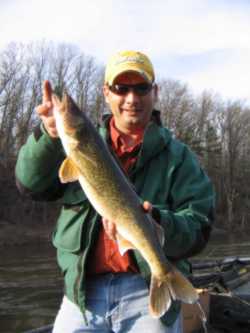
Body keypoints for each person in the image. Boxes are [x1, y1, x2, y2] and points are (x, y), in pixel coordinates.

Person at [15, 50, 215, 333]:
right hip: (83, 294)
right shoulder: (73, 143)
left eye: (141, 88)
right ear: (106, 93)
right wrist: (48, 136)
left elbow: (198, 227)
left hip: (143, 290)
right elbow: (30, 184)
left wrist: (158, 221)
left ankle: (164, 278)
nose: (131, 98)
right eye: (121, 88)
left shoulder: (180, 159)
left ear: (155, 92)